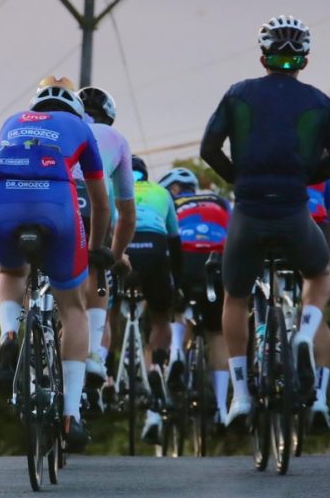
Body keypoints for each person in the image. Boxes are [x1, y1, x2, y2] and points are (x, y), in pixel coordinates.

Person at [199, 16, 330, 429]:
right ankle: (304, 333)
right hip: (292, 211)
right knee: (319, 275)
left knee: (235, 296)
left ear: (263, 54)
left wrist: (238, 178)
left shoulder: (238, 94)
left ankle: (242, 398)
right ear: (304, 57)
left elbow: (209, 148)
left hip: (249, 211)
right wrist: (306, 176)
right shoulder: (319, 101)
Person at [0, 77, 115, 452]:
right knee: (73, 307)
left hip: (2, 210)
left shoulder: (10, 122)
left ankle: (9, 335)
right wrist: (96, 248)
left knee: (9, 272)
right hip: (56, 208)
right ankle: (71, 414)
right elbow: (101, 204)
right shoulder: (81, 128)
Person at [158, 166, 231, 429]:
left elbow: (167, 241)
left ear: (175, 189)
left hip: (186, 259)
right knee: (218, 332)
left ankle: (177, 350)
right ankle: (222, 408)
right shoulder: (220, 201)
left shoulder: (172, 203)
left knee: (174, 307)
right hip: (218, 260)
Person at [74, 86, 136, 394]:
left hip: (51, 204)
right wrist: (116, 254)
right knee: (97, 266)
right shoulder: (117, 140)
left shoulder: (61, 128)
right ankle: (94, 354)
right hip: (94, 211)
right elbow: (126, 214)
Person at [125, 156, 184, 445]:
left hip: (124, 246)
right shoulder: (162, 193)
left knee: (105, 306)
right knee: (160, 316)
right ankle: (156, 366)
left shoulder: (115, 187)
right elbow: (175, 242)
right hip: (156, 247)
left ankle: (108, 372)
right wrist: (178, 284)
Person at [307, 179, 330, 432]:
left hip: (269, 224)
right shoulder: (325, 179)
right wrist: (329, 264)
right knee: (315, 313)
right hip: (314, 231)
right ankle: (320, 397)